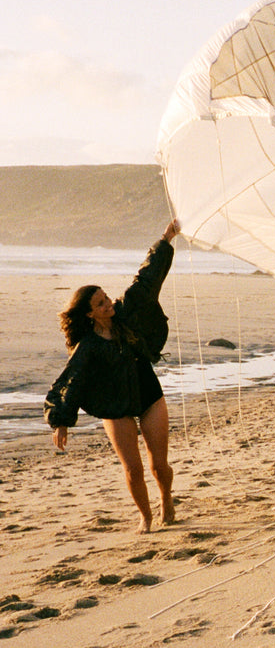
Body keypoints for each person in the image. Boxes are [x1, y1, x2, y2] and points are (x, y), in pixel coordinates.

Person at [45, 220, 181, 534]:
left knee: (158, 465)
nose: (109, 304)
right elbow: (71, 381)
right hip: (114, 405)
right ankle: (145, 517)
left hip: (148, 395)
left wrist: (166, 238)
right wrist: (61, 421)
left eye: (107, 298)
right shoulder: (88, 346)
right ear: (89, 313)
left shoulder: (126, 312)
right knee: (133, 469)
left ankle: (166, 497)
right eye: (101, 303)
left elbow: (146, 278)